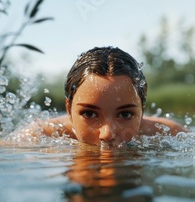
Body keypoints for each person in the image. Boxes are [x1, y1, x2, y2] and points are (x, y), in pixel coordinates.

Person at [39, 46, 187, 147]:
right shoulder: (41, 135)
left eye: (125, 114)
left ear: (142, 111)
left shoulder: (170, 133)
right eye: (89, 114)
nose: (107, 134)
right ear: (69, 110)